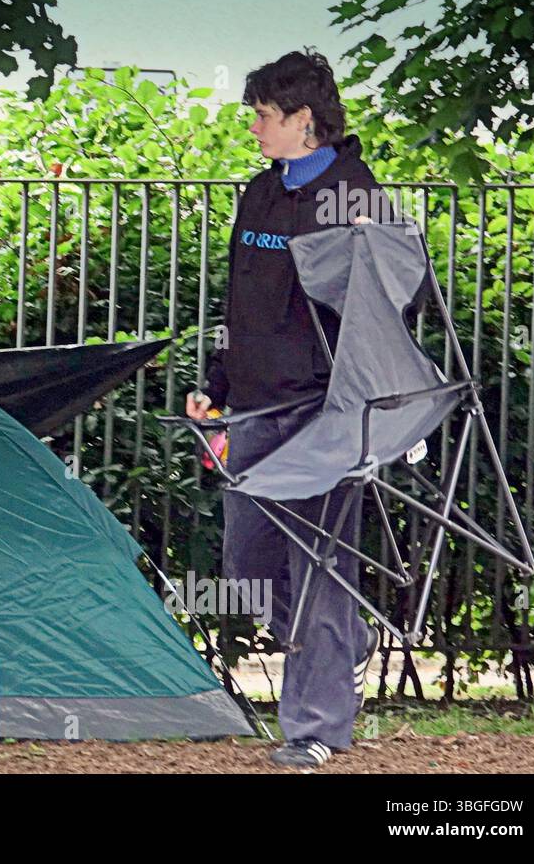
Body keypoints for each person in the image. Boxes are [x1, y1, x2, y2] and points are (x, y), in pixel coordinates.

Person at [187, 50, 388, 769]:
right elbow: (239, 297)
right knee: (247, 562)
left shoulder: (358, 196)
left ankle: (315, 729)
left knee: (318, 568)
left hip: (325, 414)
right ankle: (346, 643)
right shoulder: (260, 193)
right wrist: (217, 380)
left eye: (264, 116)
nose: (254, 128)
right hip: (254, 410)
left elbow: (396, 306)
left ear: (304, 121)